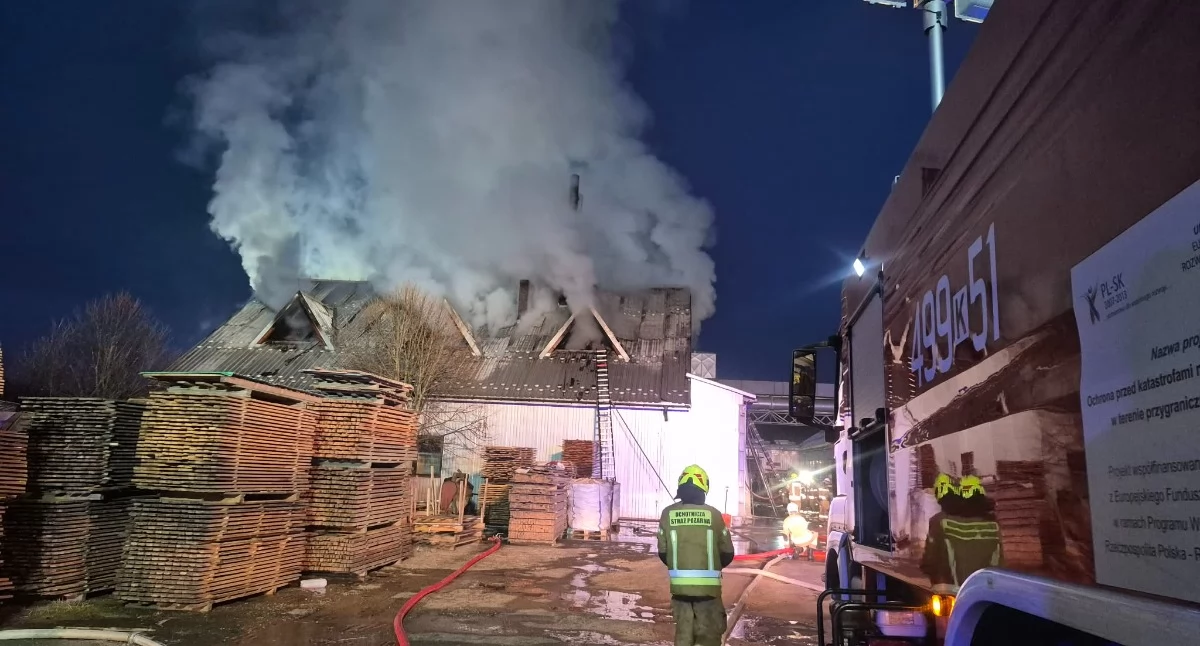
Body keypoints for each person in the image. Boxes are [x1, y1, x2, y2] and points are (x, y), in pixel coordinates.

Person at [658, 465, 736, 646]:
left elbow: (663, 553)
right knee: (709, 637)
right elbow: (728, 553)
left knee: (683, 637)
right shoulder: (714, 514)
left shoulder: (667, 513)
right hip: (709, 593)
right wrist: (711, 568)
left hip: (679, 592)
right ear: (704, 487)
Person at [920, 473, 1004, 595]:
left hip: (950, 590)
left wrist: (926, 569)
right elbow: (999, 559)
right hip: (985, 590)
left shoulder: (940, 521)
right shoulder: (993, 524)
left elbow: (930, 560)